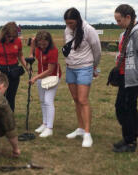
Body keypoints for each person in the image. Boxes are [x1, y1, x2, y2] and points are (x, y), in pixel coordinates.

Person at [112, 4, 138, 153]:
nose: (117, 24)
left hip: (133, 77)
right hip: (124, 76)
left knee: (127, 108)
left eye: (119, 20)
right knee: (121, 107)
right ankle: (128, 136)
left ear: (128, 18)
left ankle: (130, 142)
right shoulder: (126, 33)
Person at [63, 8, 101, 147]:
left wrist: (94, 67)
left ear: (78, 19)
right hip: (70, 68)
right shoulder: (66, 30)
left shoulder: (89, 29)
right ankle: (80, 128)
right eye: (67, 23)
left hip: (85, 67)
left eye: (71, 23)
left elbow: (97, 50)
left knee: (83, 100)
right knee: (75, 99)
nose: (69, 25)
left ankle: (87, 133)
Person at [28, 31, 62, 138]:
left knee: (48, 101)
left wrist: (35, 77)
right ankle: (44, 123)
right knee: (42, 100)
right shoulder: (37, 48)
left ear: (49, 42)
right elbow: (32, 53)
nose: (42, 46)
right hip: (40, 77)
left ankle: (49, 128)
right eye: (40, 44)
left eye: (44, 44)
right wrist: (33, 46)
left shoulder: (53, 51)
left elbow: (50, 70)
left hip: (51, 77)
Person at [0, 22, 28, 112]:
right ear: (4, 33)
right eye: (8, 36)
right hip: (0, 70)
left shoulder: (18, 41)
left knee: (11, 96)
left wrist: (27, 67)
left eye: (12, 37)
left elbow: (20, 55)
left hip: (14, 71)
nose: (10, 39)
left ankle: (10, 118)